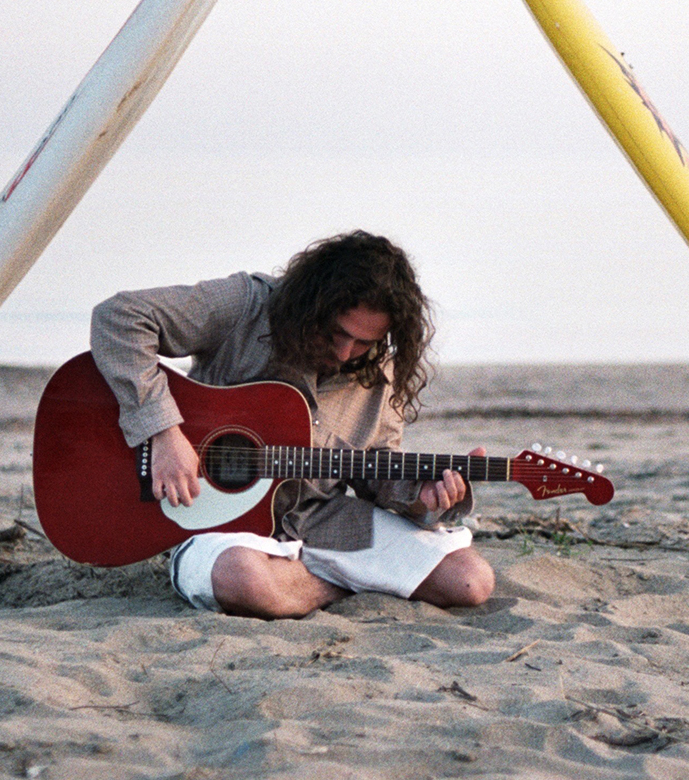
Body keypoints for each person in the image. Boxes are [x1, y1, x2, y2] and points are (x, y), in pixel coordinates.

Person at [90, 230, 495, 619]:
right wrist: (163, 433)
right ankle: (347, 581)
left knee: (469, 583)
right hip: (215, 520)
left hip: (321, 519)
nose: (345, 352)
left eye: (364, 343)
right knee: (246, 580)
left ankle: (301, 585)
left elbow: (377, 467)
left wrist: (420, 496)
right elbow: (119, 318)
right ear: (313, 301)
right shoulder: (245, 305)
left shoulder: (380, 372)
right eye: (337, 333)